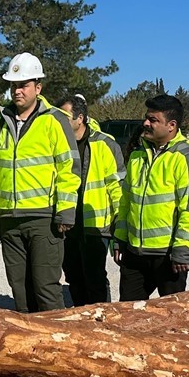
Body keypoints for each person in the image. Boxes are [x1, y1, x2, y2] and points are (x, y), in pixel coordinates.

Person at [0, 53, 80, 312]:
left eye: (23, 85)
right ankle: (27, 348)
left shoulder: (55, 120)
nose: (17, 90)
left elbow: (68, 168)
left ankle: (55, 348)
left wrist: (66, 212)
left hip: (43, 219)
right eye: (13, 85)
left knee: (46, 289)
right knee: (20, 291)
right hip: (9, 219)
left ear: (38, 87)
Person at [114, 93, 189, 299]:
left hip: (169, 256)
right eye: (146, 118)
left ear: (171, 125)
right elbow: (126, 202)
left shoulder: (188, 158)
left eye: (153, 120)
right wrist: (119, 239)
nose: (146, 123)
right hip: (134, 254)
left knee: (171, 317)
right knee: (128, 316)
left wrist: (183, 249)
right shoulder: (137, 156)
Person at [57, 94, 124, 305]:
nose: (60, 122)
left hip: (96, 226)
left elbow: (117, 187)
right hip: (67, 223)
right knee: (73, 276)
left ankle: (102, 319)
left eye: (65, 117)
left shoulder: (105, 144)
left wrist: (119, 225)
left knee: (94, 277)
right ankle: (80, 317)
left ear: (80, 118)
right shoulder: (57, 143)